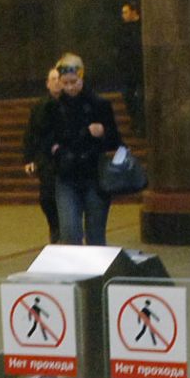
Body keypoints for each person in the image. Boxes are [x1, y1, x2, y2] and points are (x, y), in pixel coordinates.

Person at [44, 53, 121, 245]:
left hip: (94, 176)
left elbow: (115, 140)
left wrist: (102, 132)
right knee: (69, 232)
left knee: (95, 235)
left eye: (74, 81)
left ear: (82, 77)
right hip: (66, 176)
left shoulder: (99, 105)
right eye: (65, 82)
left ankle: (97, 273)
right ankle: (75, 273)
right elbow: (43, 138)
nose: (70, 87)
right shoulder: (51, 108)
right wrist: (55, 151)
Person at [23, 66, 64, 243]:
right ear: (47, 84)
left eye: (58, 79)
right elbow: (30, 133)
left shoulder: (70, 104)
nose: (56, 82)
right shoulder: (39, 107)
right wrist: (29, 158)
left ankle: (65, 229)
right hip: (45, 158)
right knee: (47, 196)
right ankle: (55, 226)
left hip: (65, 157)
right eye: (52, 79)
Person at [115, 2, 145, 135]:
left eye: (126, 12)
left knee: (140, 98)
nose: (123, 15)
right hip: (128, 70)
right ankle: (135, 121)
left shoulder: (142, 27)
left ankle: (140, 125)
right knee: (128, 96)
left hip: (139, 69)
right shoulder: (123, 30)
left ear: (134, 12)